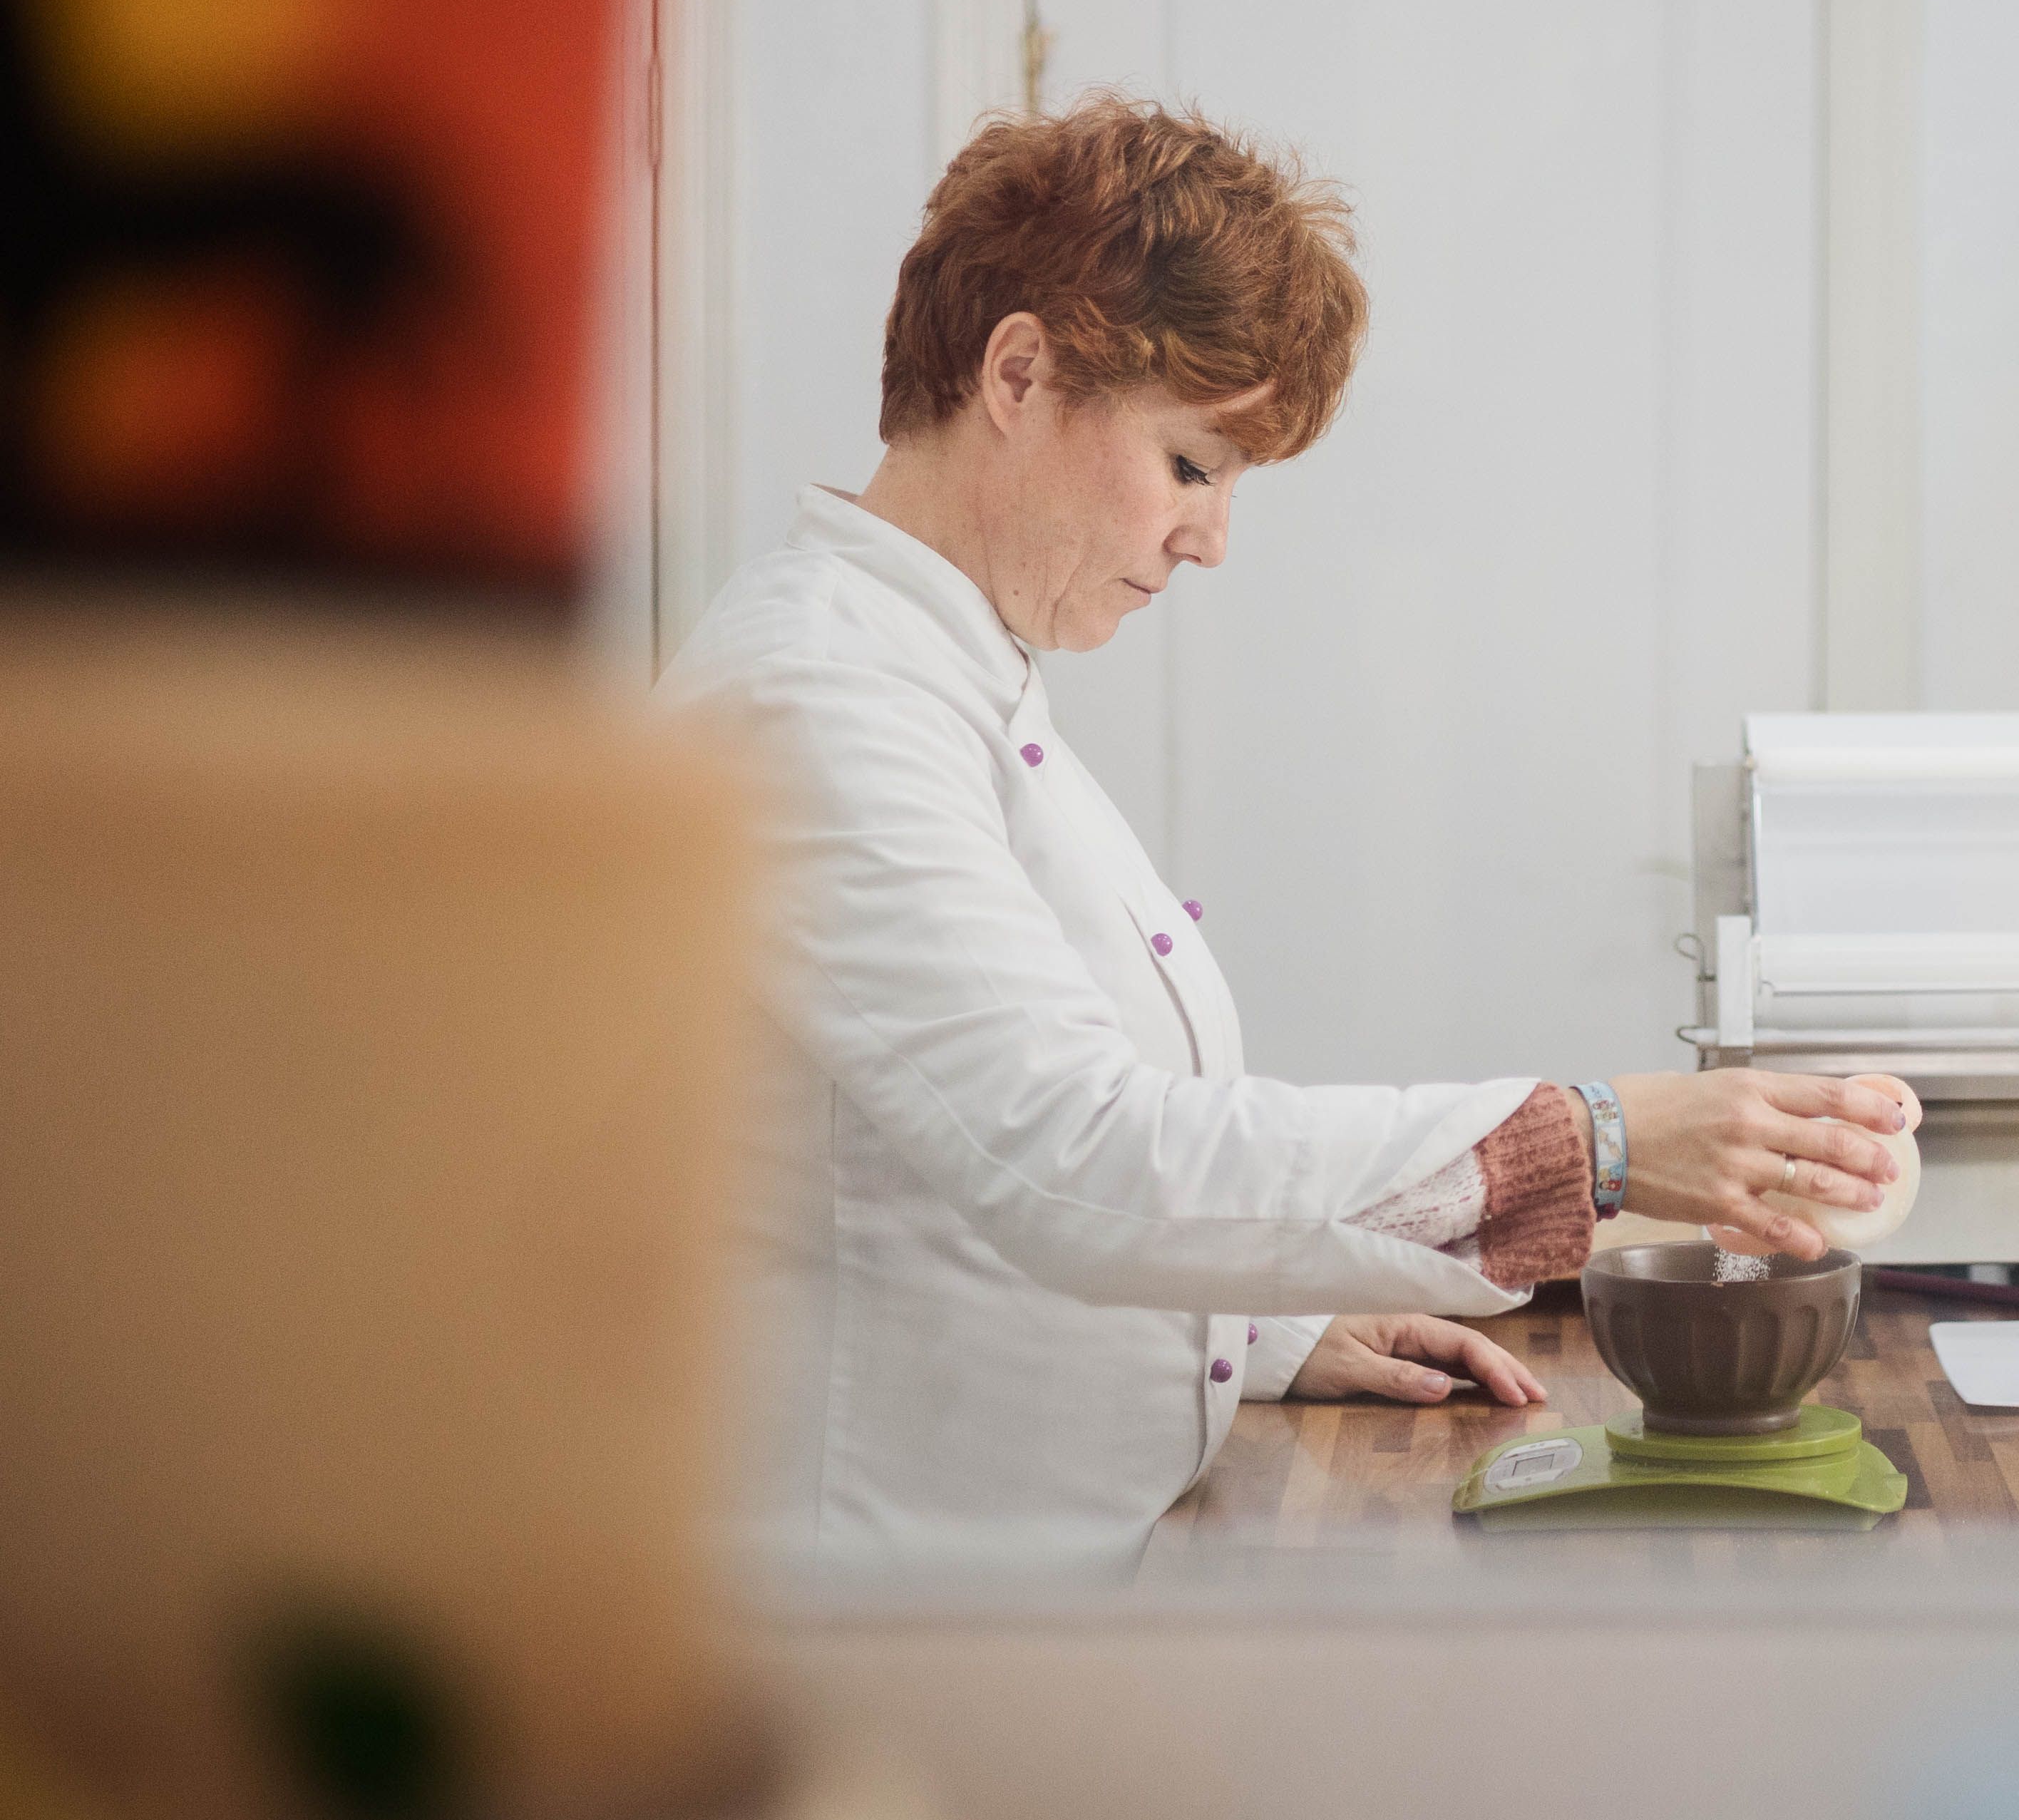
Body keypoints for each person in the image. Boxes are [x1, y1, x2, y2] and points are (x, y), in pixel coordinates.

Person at [661, 94, 1903, 1579]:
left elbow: (942, 1154)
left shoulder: (951, 680)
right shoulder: (820, 699)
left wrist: (1255, 1326)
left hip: (1019, 1584)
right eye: (1191, 464)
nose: (1213, 538)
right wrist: (1603, 1148)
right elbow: (1079, 1154)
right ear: (1019, 370)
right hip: (880, 1611)